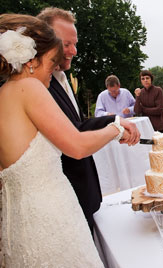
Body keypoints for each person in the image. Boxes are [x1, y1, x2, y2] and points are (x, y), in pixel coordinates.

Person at [0, 14, 138, 266]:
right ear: (31, 61)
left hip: (19, 223)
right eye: (52, 62)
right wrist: (116, 130)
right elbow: (76, 146)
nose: (53, 71)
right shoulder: (30, 88)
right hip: (51, 218)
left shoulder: (4, 95)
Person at [37, 7, 140, 233]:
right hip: (63, 198)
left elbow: (80, 123)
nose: (73, 51)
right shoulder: (38, 86)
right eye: (66, 44)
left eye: (75, 44)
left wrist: (115, 120)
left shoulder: (62, 77)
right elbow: (72, 135)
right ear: (44, 40)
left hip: (85, 192)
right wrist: (115, 128)